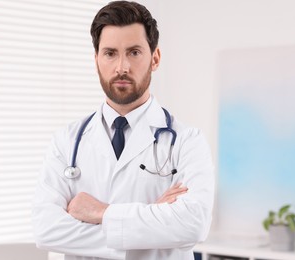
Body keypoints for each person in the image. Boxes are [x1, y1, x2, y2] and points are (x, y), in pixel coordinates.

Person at [32, 1, 214, 259]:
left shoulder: (187, 142)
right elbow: (46, 230)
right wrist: (151, 221)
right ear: (96, 60)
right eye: (110, 53)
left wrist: (101, 213)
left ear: (155, 58)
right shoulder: (66, 141)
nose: (121, 67)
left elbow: (193, 224)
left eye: (134, 52)